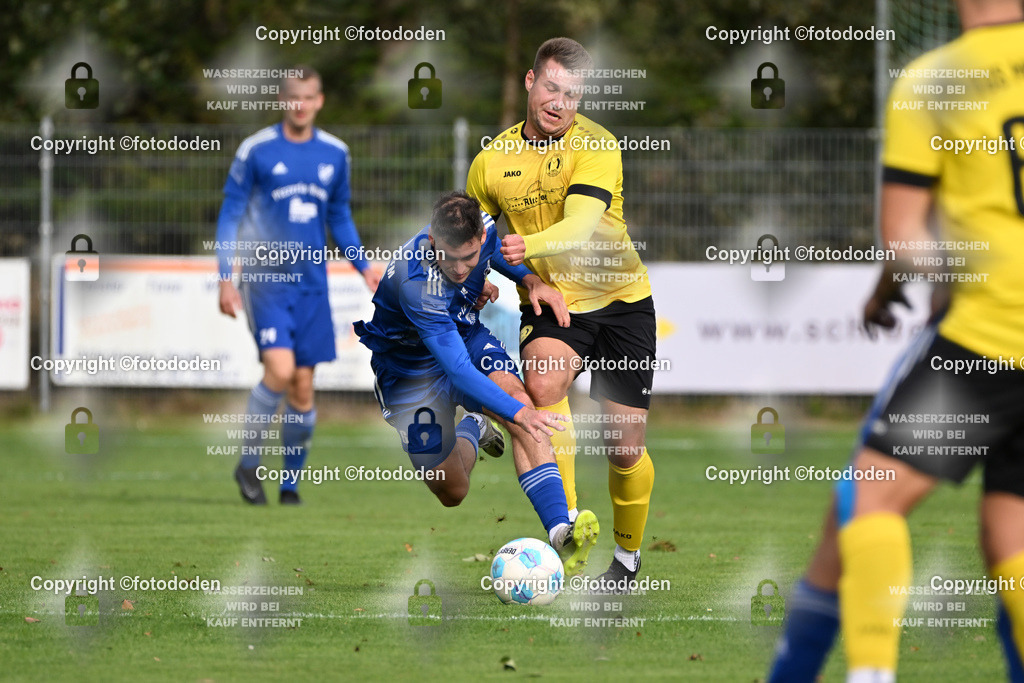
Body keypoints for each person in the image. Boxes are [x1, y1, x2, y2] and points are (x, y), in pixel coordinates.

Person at [768, 2, 1024, 680]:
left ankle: (871, 671)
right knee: (1012, 539)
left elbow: (906, 235)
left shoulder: (938, 79)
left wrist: (911, 284)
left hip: (992, 329)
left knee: (868, 496)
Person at [467, 37, 656, 586]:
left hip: (623, 305)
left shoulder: (597, 144)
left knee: (625, 450)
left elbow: (577, 227)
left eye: (572, 94)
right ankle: (566, 529)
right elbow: (471, 240)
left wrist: (529, 249)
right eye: (552, 88)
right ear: (531, 83)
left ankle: (626, 557)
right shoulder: (491, 161)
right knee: (544, 386)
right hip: (553, 302)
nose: (560, 103)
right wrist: (490, 277)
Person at [354, 190, 600, 572]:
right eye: (448, 259)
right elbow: (459, 374)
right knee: (453, 491)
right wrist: (518, 414)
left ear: (480, 239)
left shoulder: (482, 229)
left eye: (468, 258)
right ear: (432, 240)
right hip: (410, 377)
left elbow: (495, 252)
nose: (458, 268)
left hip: (464, 338)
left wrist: (530, 279)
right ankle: (473, 425)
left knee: (521, 403)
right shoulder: (416, 282)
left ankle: (559, 533)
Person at [215, 65, 379, 505]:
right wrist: (225, 278)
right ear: (282, 101)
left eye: (309, 97)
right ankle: (249, 465)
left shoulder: (335, 154)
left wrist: (364, 266)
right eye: (293, 97)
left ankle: (289, 484)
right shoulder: (257, 150)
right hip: (266, 280)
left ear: (319, 100)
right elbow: (230, 215)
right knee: (281, 371)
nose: (301, 105)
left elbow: (339, 216)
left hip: (312, 285)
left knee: (303, 387)